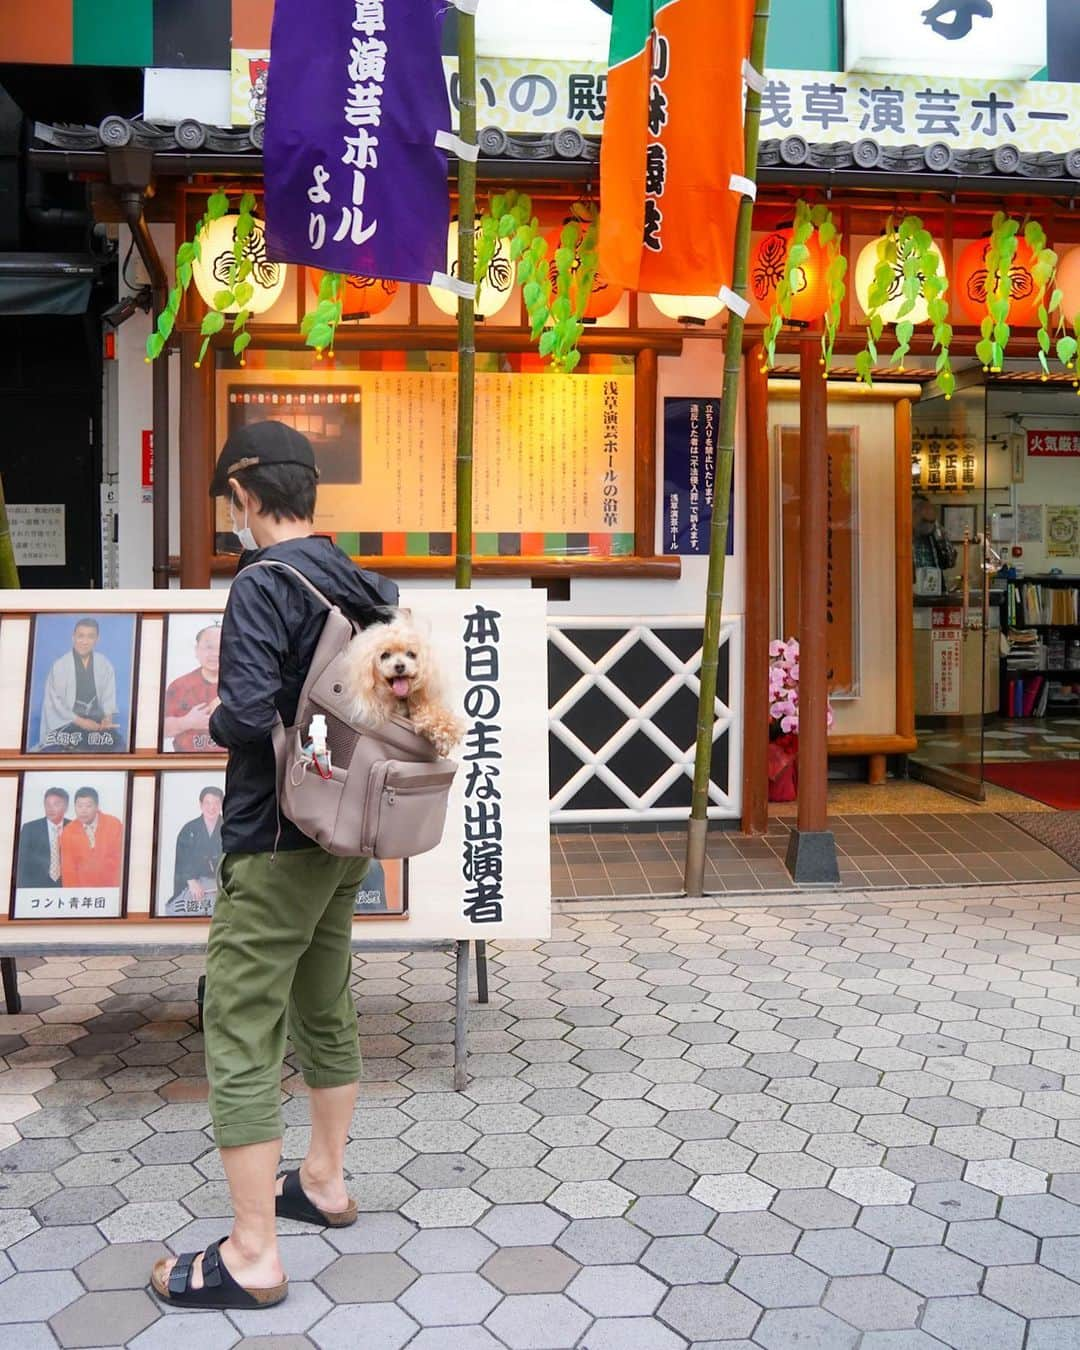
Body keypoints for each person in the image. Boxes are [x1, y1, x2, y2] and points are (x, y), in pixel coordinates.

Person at [151, 420, 397, 1312]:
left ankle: (253, 1251)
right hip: (347, 834)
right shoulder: (362, 580)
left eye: (232, 505)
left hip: (276, 836)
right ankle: (323, 1179)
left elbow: (250, 713)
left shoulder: (263, 583)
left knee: (242, 1021)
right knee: (321, 996)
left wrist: (201, 725)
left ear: (248, 496)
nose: (235, 520)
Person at [37, 618, 125, 752]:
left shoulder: (104, 664)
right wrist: (82, 723)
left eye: (90, 636)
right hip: (67, 723)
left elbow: (108, 698)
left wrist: (107, 719)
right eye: (80, 636)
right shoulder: (60, 666)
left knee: (118, 747)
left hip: (96, 723)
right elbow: (56, 705)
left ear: (97, 639)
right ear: (73, 637)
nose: (85, 642)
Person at [163, 624, 224, 753]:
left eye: (222, 647)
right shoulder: (179, 685)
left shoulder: (242, 687)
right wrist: (187, 722)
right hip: (185, 764)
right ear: (197, 650)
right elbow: (161, 730)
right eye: (209, 647)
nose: (215, 654)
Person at [165, 786, 225, 917]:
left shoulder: (228, 828)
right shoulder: (189, 829)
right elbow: (182, 858)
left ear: (222, 805)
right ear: (201, 805)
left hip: (220, 884)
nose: (212, 807)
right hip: (193, 884)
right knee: (174, 910)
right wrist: (191, 882)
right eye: (207, 803)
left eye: (216, 803)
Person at [60, 787, 124, 889]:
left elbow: (121, 861)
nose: (83, 810)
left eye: (88, 806)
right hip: (83, 892)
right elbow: (68, 869)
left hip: (112, 889)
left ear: (97, 806)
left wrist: (117, 891)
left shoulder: (114, 824)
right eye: (79, 806)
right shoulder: (68, 831)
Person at [16, 787, 71, 888]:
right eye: (47, 804)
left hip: (67, 887)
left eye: (56, 804)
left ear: (66, 807)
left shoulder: (75, 827)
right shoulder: (30, 828)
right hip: (36, 887)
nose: (51, 809)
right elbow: (21, 863)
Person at [913, 495, 958, 576]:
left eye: (923, 508)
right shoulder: (901, 537)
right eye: (915, 510)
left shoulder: (935, 534)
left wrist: (937, 528)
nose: (920, 513)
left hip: (934, 585)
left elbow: (950, 562)